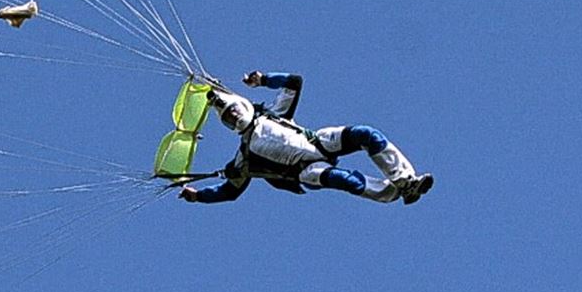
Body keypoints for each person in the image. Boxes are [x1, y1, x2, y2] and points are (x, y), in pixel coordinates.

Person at [178, 71, 433, 206]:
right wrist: (198, 196)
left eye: (233, 111)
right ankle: (394, 192)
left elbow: (293, 82)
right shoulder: (244, 157)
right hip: (305, 170)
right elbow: (229, 191)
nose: (233, 116)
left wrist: (263, 79)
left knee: (366, 134)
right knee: (343, 180)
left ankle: (405, 179)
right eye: (228, 118)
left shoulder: (273, 114)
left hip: (317, 142)